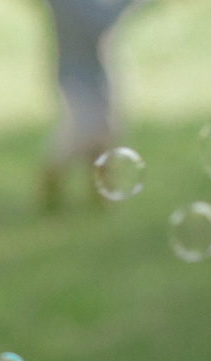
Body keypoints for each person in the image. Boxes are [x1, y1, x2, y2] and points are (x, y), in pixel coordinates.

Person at [36, 0, 137, 212]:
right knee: (83, 133)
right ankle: (50, 183)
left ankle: (99, 196)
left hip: (98, 74)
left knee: (104, 134)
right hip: (73, 76)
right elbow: (100, 22)